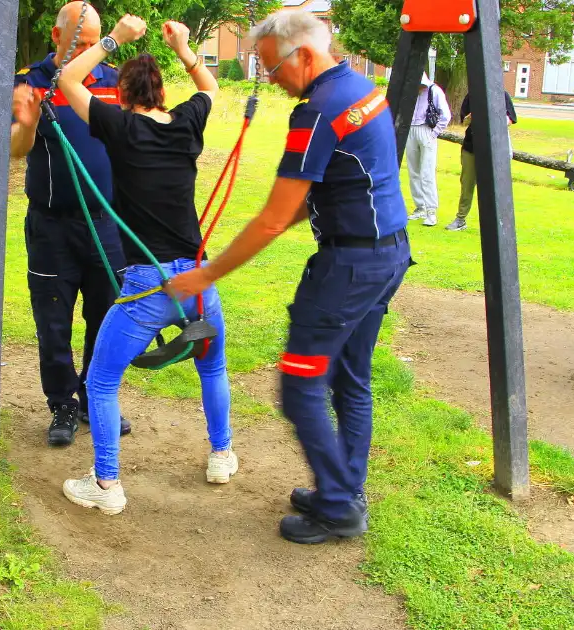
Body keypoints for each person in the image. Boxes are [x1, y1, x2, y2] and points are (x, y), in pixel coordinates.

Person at [168, 10, 411, 544]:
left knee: (300, 386)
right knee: (350, 377)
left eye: (271, 67)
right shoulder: (362, 88)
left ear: (303, 55)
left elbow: (276, 218)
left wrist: (204, 275)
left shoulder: (318, 112)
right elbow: (325, 189)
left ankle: (339, 504)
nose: (271, 80)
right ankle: (345, 488)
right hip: (387, 255)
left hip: (348, 268)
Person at [54, 15, 236, 516]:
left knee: (101, 381)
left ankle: (107, 485)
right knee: (213, 365)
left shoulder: (119, 125)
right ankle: (222, 455)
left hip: (148, 284)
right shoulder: (185, 122)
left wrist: (114, 38)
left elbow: (68, 78)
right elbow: (209, 86)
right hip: (198, 280)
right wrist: (185, 49)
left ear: (123, 95)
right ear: (160, 93)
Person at [11, 2, 132, 447]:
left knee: (106, 319)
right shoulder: (32, 80)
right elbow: (17, 148)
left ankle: (96, 398)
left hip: (107, 224)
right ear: (55, 36)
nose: (89, 51)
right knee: (54, 320)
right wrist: (26, 123)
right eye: (80, 42)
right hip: (52, 226)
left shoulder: (114, 81)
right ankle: (63, 405)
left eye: (95, 41)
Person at [446, 90, 517, 231]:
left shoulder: (502, 94)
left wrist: (492, 117)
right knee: (467, 184)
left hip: (494, 149)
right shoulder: (472, 94)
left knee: (492, 187)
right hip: (471, 147)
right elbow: (464, 120)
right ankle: (461, 219)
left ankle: (496, 223)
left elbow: (511, 119)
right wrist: (473, 117)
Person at [405, 74, 451, 227]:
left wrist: (434, 132)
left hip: (426, 130)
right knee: (414, 171)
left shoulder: (434, 91)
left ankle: (431, 211)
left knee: (427, 173)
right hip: (411, 129)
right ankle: (420, 207)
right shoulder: (411, 90)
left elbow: (446, 114)